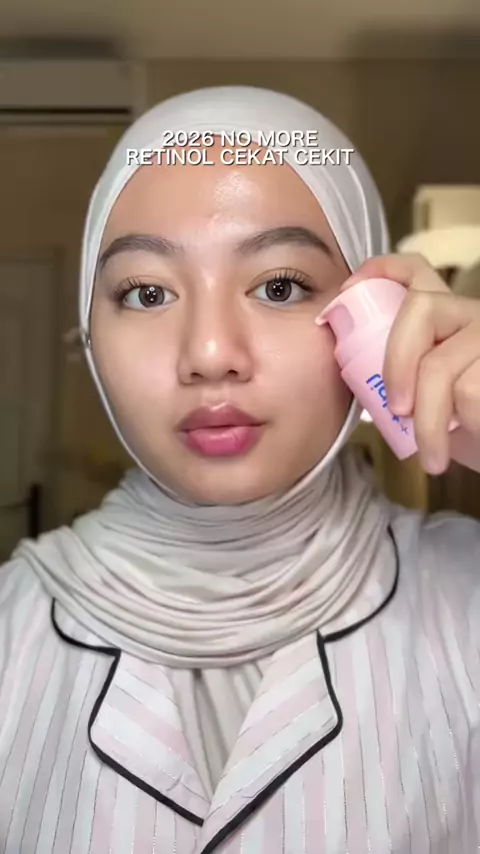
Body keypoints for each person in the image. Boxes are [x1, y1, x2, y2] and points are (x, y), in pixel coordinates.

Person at [1, 85, 480, 854]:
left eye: (279, 286)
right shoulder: (11, 631)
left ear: (379, 318)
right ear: (90, 338)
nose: (210, 353)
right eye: (147, 293)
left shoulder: (466, 599)